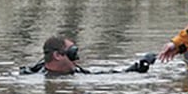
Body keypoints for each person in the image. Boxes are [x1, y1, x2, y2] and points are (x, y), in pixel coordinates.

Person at [20, 36, 156, 75]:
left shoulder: (79, 72)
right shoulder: (34, 75)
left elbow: (107, 75)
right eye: (73, 53)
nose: (77, 58)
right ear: (57, 55)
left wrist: (137, 67)